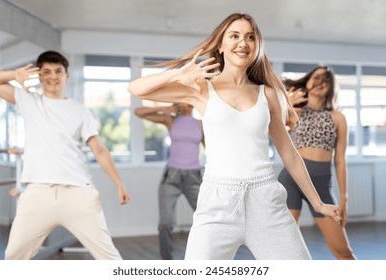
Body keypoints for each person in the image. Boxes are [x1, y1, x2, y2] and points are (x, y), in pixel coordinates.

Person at [127, 13, 341, 260]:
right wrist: (177, 75)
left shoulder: (268, 94)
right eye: (235, 36)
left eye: (250, 37)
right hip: (218, 204)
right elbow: (135, 89)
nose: (243, 42)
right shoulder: (201, 88)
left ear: (257, 45)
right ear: (221, 45)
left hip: (266, 201)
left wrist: (317, 203)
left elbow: (290, 154)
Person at [0, 50, 131, 260]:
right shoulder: (28, 100)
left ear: (67, 75)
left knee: (110, 259)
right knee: (13, 257)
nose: (53, 77)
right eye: (46, 71)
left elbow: (100, 149)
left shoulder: (81, 111)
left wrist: (119, 184)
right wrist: (14, 74)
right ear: (39, 75)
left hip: (78, 193)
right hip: (38, 193)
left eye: (58, 71)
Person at [277, 66, 356, 259]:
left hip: (321, 185)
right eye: (316, 77)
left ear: (331, 88)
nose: (320, 82)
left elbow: (340, 159)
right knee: (285, 248)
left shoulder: (338, 117)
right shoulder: (293, 111)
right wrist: (286, 104)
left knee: (342, 250)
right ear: (308, 81)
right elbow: (266, 122)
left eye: (326, 80)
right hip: (291, 181)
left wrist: (344, 197)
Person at [134, 103, 204, 259]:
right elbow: (138, 112)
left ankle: (207, 258)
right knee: (165, 223)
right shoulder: (170, 119)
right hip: (171, 177)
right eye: (181, 99)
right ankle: (167, 263)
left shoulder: (201, 123)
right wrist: (163, 108)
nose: (184, 102)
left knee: (207, 218)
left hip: (194, 177)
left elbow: (211, 150)